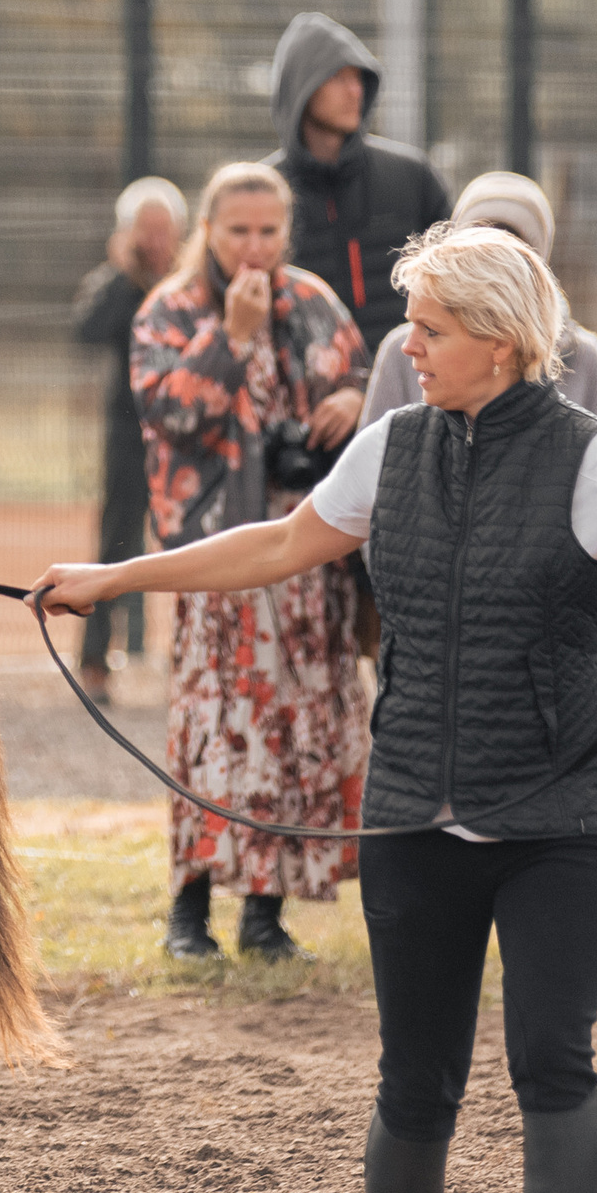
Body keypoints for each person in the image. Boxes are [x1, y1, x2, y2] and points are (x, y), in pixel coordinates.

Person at [33, 222, 597, 1193]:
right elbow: (277, 545)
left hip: (560, 821)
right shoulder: (392, 446)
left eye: (427, 328)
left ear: (497, 338)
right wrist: (115, 578)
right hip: (415, 806)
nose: (406, 347)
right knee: (411, 1083)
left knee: (553, 1062)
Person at [124, 161, 368, 966]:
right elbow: (172, 411)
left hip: (308, 550)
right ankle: (189, 907)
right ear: (209, 231)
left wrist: (353, 402)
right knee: (213, 728)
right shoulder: (171, 307)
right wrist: (229, 338)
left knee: (294, 725)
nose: (255, 247)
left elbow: (364, 387)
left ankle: (267, 911)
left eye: (269, 231)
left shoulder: (315, 304)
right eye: (238, 232)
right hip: (214, 555)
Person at [361, 171, 597, 428]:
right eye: (479, 249)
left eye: (511, 251)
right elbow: (373, 463)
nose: (493, 269)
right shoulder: (401, 351)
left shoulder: (583, 355)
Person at [262, 12, 450, 355]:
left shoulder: (410, 177)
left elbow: (456, 289)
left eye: (359, 78)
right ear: (302, 86)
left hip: (411, 378)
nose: (354, 91)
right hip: (310, 395)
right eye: (337, 77)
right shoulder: (263, 193)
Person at [70, 175, 186, 702]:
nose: (156, 240)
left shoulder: (192, 282)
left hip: (187, 435)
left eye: (164, 230)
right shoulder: (115, 283)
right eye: (146, 231)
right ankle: (95, 663)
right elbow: (87, 330)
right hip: (128, 435)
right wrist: (127, 273)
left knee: (193, 545)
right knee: (115, 543)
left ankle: (192, 661)